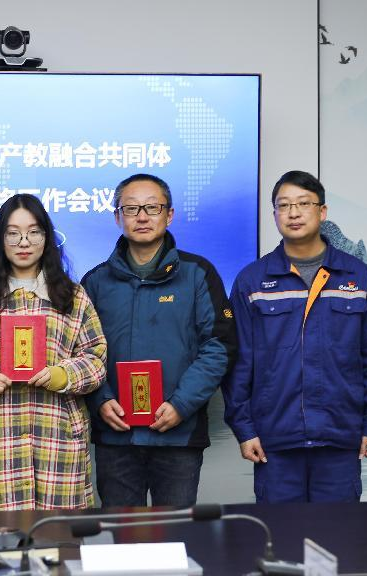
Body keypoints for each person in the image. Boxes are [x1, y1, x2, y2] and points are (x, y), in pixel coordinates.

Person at [223, 170, 367, 503]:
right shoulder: (252, 281)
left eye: (303, 203)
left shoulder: (356, 276)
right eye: (284, 205)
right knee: (279, 532)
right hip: (275, 441)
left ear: (322, 211)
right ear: (274, 214)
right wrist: (244, 429)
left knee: (339, 531)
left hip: (340, 437)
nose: (293, 213)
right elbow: (239, 363)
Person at [81, 173, 236, 508]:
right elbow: (81, 354)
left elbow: (219, 345)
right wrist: (101, 401)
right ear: (117, 217)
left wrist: (181, 404)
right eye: (131, 208)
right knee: (122, 533)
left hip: (177, 434)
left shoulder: (198, 273)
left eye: (152, 207)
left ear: (170, 215)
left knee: (176, 530)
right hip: (116, 435)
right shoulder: (95, 282)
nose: (142, 216)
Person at [0, 193, 107, 510]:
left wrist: (63, 375)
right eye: (13, 233)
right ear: (0, 239)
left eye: (34, 232)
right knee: (1, 535)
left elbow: (96, 359)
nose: (24, 242)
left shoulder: (73, 297)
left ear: (46, 238)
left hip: (57, 438)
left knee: (59, 535)